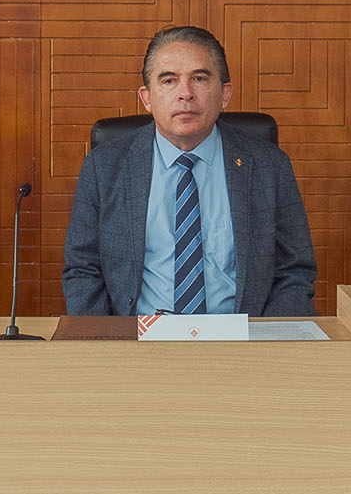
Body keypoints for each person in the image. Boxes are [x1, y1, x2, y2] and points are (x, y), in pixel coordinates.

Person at [62, 25, 317, 316]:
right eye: (169, 81)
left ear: (224, 94)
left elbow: (294, 272)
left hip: (240, 343)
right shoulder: (104, 166)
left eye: (199, 78)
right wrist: (108, 347)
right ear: (147, 97)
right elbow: (82, 269)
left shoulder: (269, 166)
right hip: (138, 345)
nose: (186, 94)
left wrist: (263, 346)